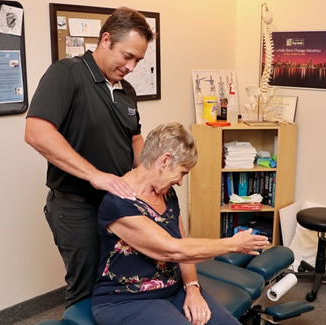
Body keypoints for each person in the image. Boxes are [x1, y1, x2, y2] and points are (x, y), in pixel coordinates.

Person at [24, 7, 154, 308]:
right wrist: (95, 175)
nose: (132, 66)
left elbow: (134, 136)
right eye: (127, 56)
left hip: (118, 203)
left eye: (138, 60)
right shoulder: (67, 74)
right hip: (76, 207)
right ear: (106, 40)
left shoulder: (126, 89)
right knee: (85, 291)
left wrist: (148, 174)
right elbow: (37, 132)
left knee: (118, 282)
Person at [92, 122, 269, 325]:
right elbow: (171, 250)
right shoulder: (118, 202)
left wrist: (192, 288)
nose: (180, 182)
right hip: (126, 299)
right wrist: (232, 244)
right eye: (182, 173)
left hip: (173, 288)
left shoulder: (166, 193)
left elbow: (183, 242)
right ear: (164, 161)